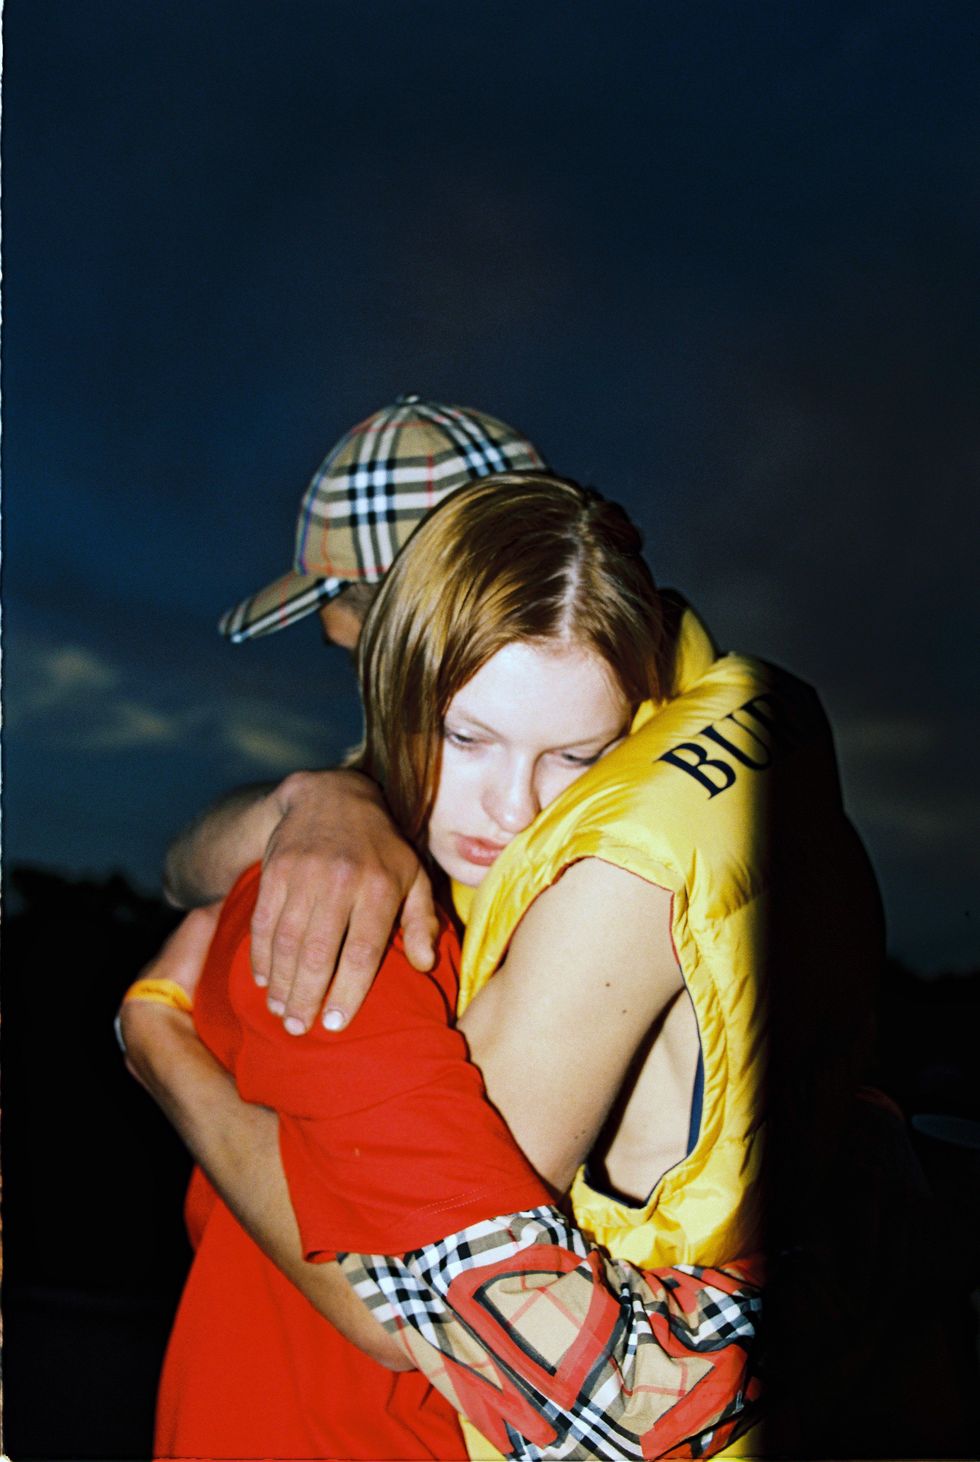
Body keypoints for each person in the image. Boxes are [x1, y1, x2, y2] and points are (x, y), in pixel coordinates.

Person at [122, 470, 935, 1458]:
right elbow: (446, 1325)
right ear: (398, 671)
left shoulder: (565, 867)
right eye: (467, 737)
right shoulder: (338, 915)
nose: (512, 810)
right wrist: (160, 1044)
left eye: (575, 757)